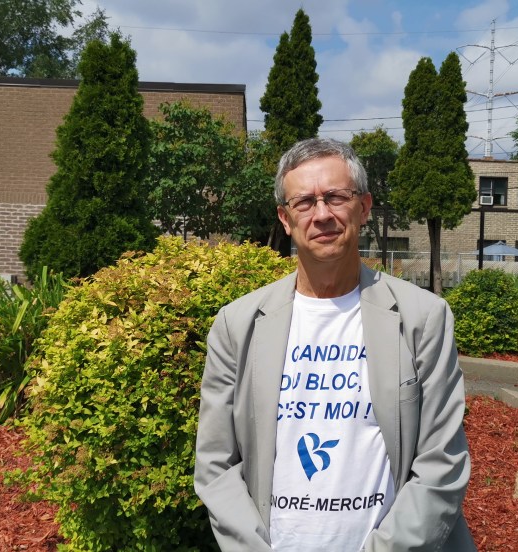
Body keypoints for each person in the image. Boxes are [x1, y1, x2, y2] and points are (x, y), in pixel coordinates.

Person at [194, 137, 475, 551]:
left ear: (363, 207)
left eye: (335, 197)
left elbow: (441, 464)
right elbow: (216, 464)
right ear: (285, 218)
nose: (321, 214)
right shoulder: (237, 325)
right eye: (304, 202)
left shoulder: (422, 318)